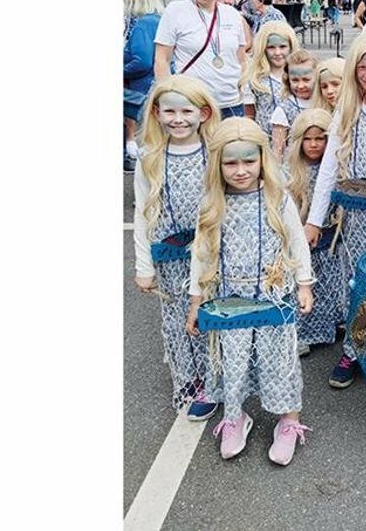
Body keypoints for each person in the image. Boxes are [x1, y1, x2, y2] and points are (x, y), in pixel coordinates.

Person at [185, 117, 315, 463]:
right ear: (218, 164)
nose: (240, 170)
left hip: (274, 296)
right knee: (234, 361)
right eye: (231, 162)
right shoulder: (211, 203)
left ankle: (289, 420)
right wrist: (196, 302)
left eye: (248, 161)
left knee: (279, 361)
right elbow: (200, 254)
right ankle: (235, 416)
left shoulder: (278, 198)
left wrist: (304, 284)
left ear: (262, 159)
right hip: (230, 300)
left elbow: (297, 243)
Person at [304, 32, 366, 389]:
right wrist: (315, 219)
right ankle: (354, 347)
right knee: (356, 281)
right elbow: (330, 167)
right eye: (362, 66)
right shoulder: (346, 110)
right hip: (353, 217)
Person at [133, 75, 222, 420]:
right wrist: (144, 266)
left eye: (186, 110)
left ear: (203, 112)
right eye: (169, 111)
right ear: (156, 112)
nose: (178, 118)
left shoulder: (214, 152)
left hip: (209, 253)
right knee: (175, 320)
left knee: (208, 314)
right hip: (169, 256)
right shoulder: (149, 157)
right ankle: (188, 380)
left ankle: (215, 380)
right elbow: (143, 213)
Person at [154, 0, 249, 118]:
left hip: (231, 104)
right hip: (192, 104)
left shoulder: (232, 14)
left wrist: (242, 88)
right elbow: (161, 59)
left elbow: (241, 59)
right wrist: (167, 97)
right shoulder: (175, 11)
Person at [285, 108, 345, 353]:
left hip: (330, 237)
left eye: (320, 138)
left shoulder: (335, 168)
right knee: (307, 285)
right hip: (300, 239)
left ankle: (328, 325)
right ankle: (304, 334)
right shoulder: (289, 172)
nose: (313, 144)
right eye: (308, 139)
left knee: (330, 285)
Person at [124, 0, 164, 172]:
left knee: (146, 146)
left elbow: (142, 60)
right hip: (154, 86)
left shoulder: (143, 23)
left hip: (142, 89)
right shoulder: (157, 20)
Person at [238, 21, 300, 139]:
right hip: (267, 141)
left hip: (296, 141)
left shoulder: (300, 76)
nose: (277, 53)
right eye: (271, 47)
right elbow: (249, 118)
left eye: (282, 47)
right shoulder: (254, 80)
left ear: (291, 46)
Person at [270, 49, 318, 158]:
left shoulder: (323, 104)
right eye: (295, 80)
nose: (300, 86)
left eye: (306, 80)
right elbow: (277, 150)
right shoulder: (284, 109)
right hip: (294, 167)